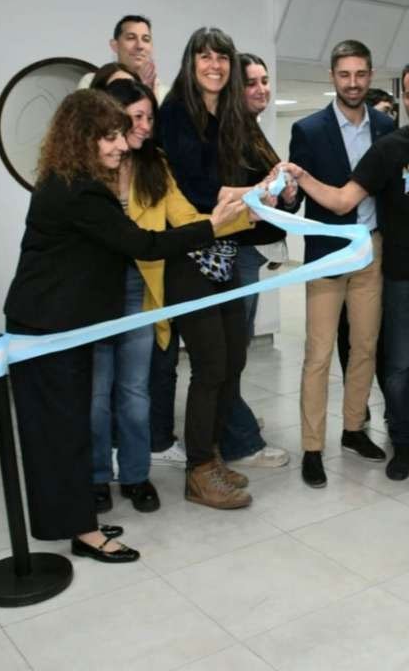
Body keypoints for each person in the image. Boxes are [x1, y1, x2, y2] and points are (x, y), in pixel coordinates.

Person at [3, 89, 246, 562]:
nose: (122, 145)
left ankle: (78, 523)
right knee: (62, 435)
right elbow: (144, 244)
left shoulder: (69, 180)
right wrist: (212, 226)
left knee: (65, 431)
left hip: (59, 324)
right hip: (48, 328)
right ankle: (84, 532)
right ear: (82, 138)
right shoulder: (80, 190)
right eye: (110, 136)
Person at [279, 58, 409, 482]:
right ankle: (362, 443)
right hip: (382, 267)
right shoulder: (382, 144)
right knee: (372, 363)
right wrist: (297, 178)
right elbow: (340, 200)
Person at [89, 79, 254, 515]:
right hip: (96, 290)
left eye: (150, 117)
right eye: (137, 117)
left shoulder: (154, 164)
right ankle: (97, 478)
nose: (146, 126)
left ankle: (136, 476)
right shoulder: (87, 168)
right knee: (97, 393)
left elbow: (185, 218)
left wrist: (250, 211)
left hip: (142, 285)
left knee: (134, 391)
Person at [157, 27, 288, 509]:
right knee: (210, 363)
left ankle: (211, 455)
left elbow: (234, 185)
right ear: (190, 63)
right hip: (189, 254)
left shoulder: (230, 118)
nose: (214, 66)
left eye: (222, 58)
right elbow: (193, 190)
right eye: (205, 57)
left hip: (227, 250)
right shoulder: (175, 112)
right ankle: (198, 471)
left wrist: (268, 187)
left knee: (233, 359)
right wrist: (251, 195)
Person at [288, 40, 395, 488]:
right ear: (332, 76)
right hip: (327, 254)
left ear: (371, 75)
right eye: (345, 74)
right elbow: (295, 199)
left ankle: (353, 429)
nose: (353, 83)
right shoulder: (308, 130)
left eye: (361, 74)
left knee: (365, 346)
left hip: (371, 251)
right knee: (318, 353)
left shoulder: (387, 127)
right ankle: (312, 447)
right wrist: (288, 193)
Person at [215, 52, 292, 469]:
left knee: (236, 349)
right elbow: (230, 196)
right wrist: (265, 189)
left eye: (264, 80)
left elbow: (266, 194)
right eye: (251, 82)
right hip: (236, 253)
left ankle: (228, 422)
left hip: (251, 254)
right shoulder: (230, 134)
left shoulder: (252, 129)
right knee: (230, 353)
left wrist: (286, 192)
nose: (262, 89)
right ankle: (238, 440)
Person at [78, 14, 168, 102]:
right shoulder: (91, 81)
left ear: (151, 47)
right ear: (115, 45)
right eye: (131, 38)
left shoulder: (165, 93)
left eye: (146, 39)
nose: (140, 46)